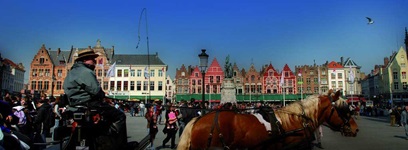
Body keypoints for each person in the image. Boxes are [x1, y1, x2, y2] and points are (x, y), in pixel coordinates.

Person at [63, 49, 127, 148]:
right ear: (85, 60)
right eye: (92, 59)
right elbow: (96, 91)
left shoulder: (71, 72)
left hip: (74, 105)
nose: (95, 61)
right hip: (89, 104)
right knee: (120, 116)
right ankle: (120, 145)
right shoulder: (86, 72)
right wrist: (103, 96)